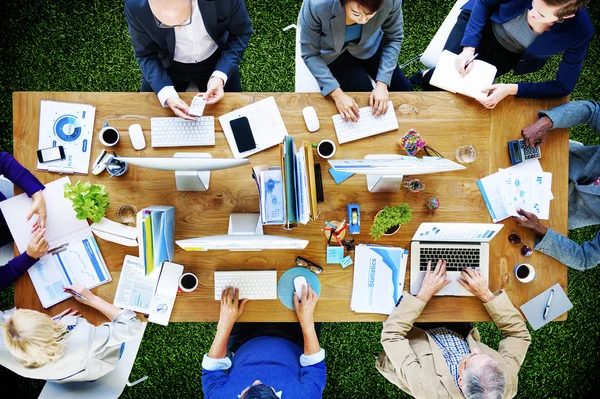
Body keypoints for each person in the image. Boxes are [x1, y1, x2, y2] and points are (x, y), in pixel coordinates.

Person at [376, 260, 531, 398]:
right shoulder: (506, 381)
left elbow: (392, 335)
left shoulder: (427, 389)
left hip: (413, 334)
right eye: (488, 357)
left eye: (471, 357)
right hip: (456, 331)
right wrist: (485, 294)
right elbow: (518, 335)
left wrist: (423, 295)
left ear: (461, 380)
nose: (476, 350)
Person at [412, 0, 593, 109]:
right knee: (443, 80)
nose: (531, 12)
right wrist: (469, 47)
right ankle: (425, 76)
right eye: (533, 3)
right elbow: (483, 3)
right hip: (481, 25)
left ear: (567, 16)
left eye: (541, 13)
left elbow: (563, 86)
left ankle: (426, 76)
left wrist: (511, 89)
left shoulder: (581, 31)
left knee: (462, 94)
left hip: (510, 55)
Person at [124, 0, 253, 119]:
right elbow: (145, 54)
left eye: (184, 21)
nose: (179, 28)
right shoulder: (136, 6)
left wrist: (220, 75)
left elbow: (241, 33)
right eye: (164, 23)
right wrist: (166, 94)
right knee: (146, 115)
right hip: (168, 65)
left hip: (216, 60)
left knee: (235, 115)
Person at [515, 100, 600, 270]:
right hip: (555, 158)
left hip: (551, 210)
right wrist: (547, 122)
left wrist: (542, 230)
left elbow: (586, 259)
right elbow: (592, 111)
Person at [0, 284, 142, 382]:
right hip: (93, 365)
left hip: (62, 374)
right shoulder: (82, 337)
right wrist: (92, 299)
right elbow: (132, 325)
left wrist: (48, 326)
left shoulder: (6, 350)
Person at [202, 286, 326, 398]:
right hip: (296, 337)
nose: (257, 380)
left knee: (238, 284)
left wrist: (225, 322)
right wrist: (307, 321)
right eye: (265, 385)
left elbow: (212, 370)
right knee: (312, 289)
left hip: (244, 339)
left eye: (251, 387)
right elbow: (314, 364)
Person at [300, 0, 413, 122]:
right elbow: (310, 53)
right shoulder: (317, 4)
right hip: (334, 55)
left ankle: (421, 77)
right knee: (362, 109)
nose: (363, 20)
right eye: (356, 13)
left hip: (371, 45)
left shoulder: (390, 1)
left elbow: (394, 38)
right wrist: (337, 94)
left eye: (370, 14)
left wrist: (382, 84)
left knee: (406, 92)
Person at [0, 152, 48, 291]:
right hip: (11, 242)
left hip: (10, 205)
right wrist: (29, 256)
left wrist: (36, 194)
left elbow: (2, 161)